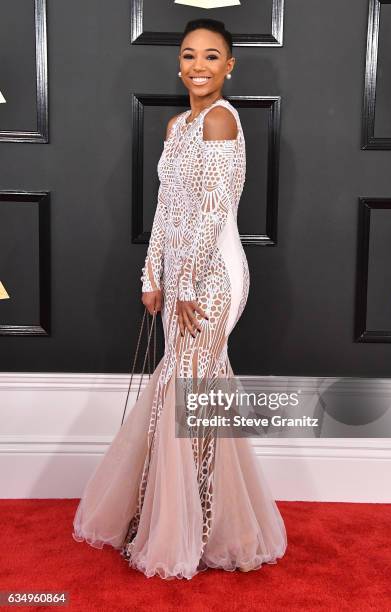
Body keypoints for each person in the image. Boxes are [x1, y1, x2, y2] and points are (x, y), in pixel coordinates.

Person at [72, 18, 287, 580]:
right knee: (184, 388)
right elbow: (168, 211)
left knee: (189, 389)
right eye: (189, 55)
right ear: (179, 64)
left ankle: (203, 524)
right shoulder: (177, 126)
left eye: (211, 57)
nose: (198, 66)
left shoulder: (220, 122)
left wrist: (187, 285)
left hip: (216, 273)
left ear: (230, 65)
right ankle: (171, 516)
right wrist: (153, 276)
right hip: (179, 272)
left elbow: (212, 214)